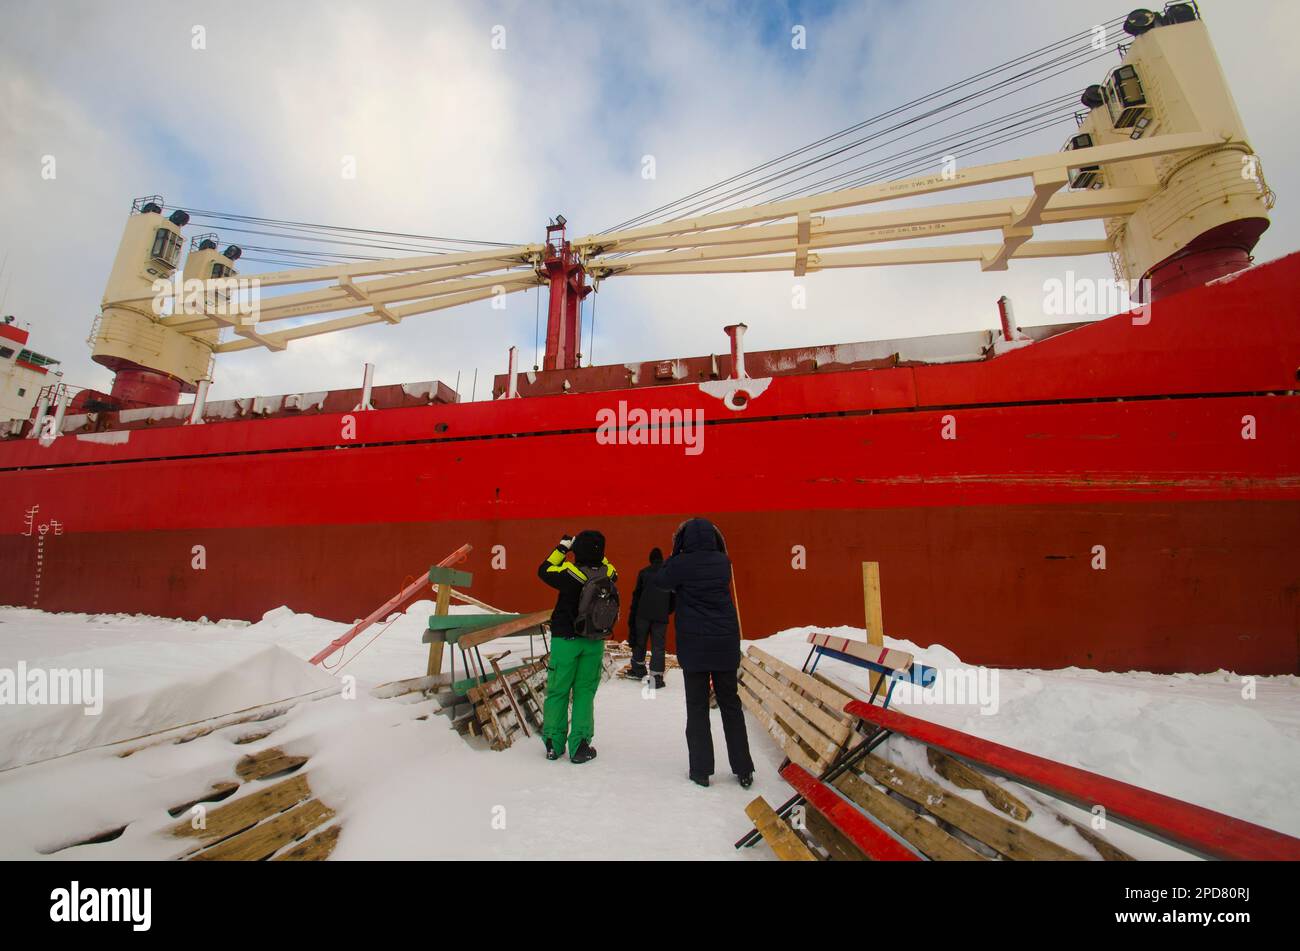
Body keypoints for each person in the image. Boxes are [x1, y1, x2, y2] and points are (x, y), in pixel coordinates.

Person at [654, 517, 754, 788]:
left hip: (695, 647)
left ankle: (701, 770)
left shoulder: (680, 564)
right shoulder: (724, 563)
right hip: (724, 645)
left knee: (697, 708)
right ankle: (743, 768)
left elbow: (661, 579)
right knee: (731, 706)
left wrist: (674, 554)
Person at [537, 530, 618, 764]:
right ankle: (580, 745)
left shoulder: (570, 573)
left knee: (558, 691)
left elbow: (544, 570)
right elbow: (607, 564)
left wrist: (563, 548)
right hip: (593, 641)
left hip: (565, 641)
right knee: (585, 693)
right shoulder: (609, 573)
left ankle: (553, 743)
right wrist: (595, 552)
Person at [628, 547, 672, 688]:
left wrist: (634, 613)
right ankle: (656, 678)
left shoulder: (643, 573)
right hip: (661, 616)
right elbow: (674, 597)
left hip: (643, 614)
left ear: (650, 559)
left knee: (640, 642)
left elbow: (637, 595)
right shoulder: (668, 574)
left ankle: (638, 670)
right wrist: (666, 610)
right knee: (658, 646)